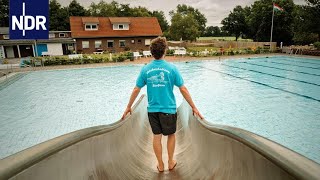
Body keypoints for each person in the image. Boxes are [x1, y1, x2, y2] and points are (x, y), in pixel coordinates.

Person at [121, 37, 203, 172]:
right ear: (165, 51)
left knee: (156, 137)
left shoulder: (145, 69)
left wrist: (128, 106)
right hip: (168, 109)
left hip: (152, 110)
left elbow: (137, 89)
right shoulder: (172, 69)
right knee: (171, 135)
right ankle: (171, 162)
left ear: (151, 52)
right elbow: (183, 89)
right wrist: (194, 107)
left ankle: (160, 164)